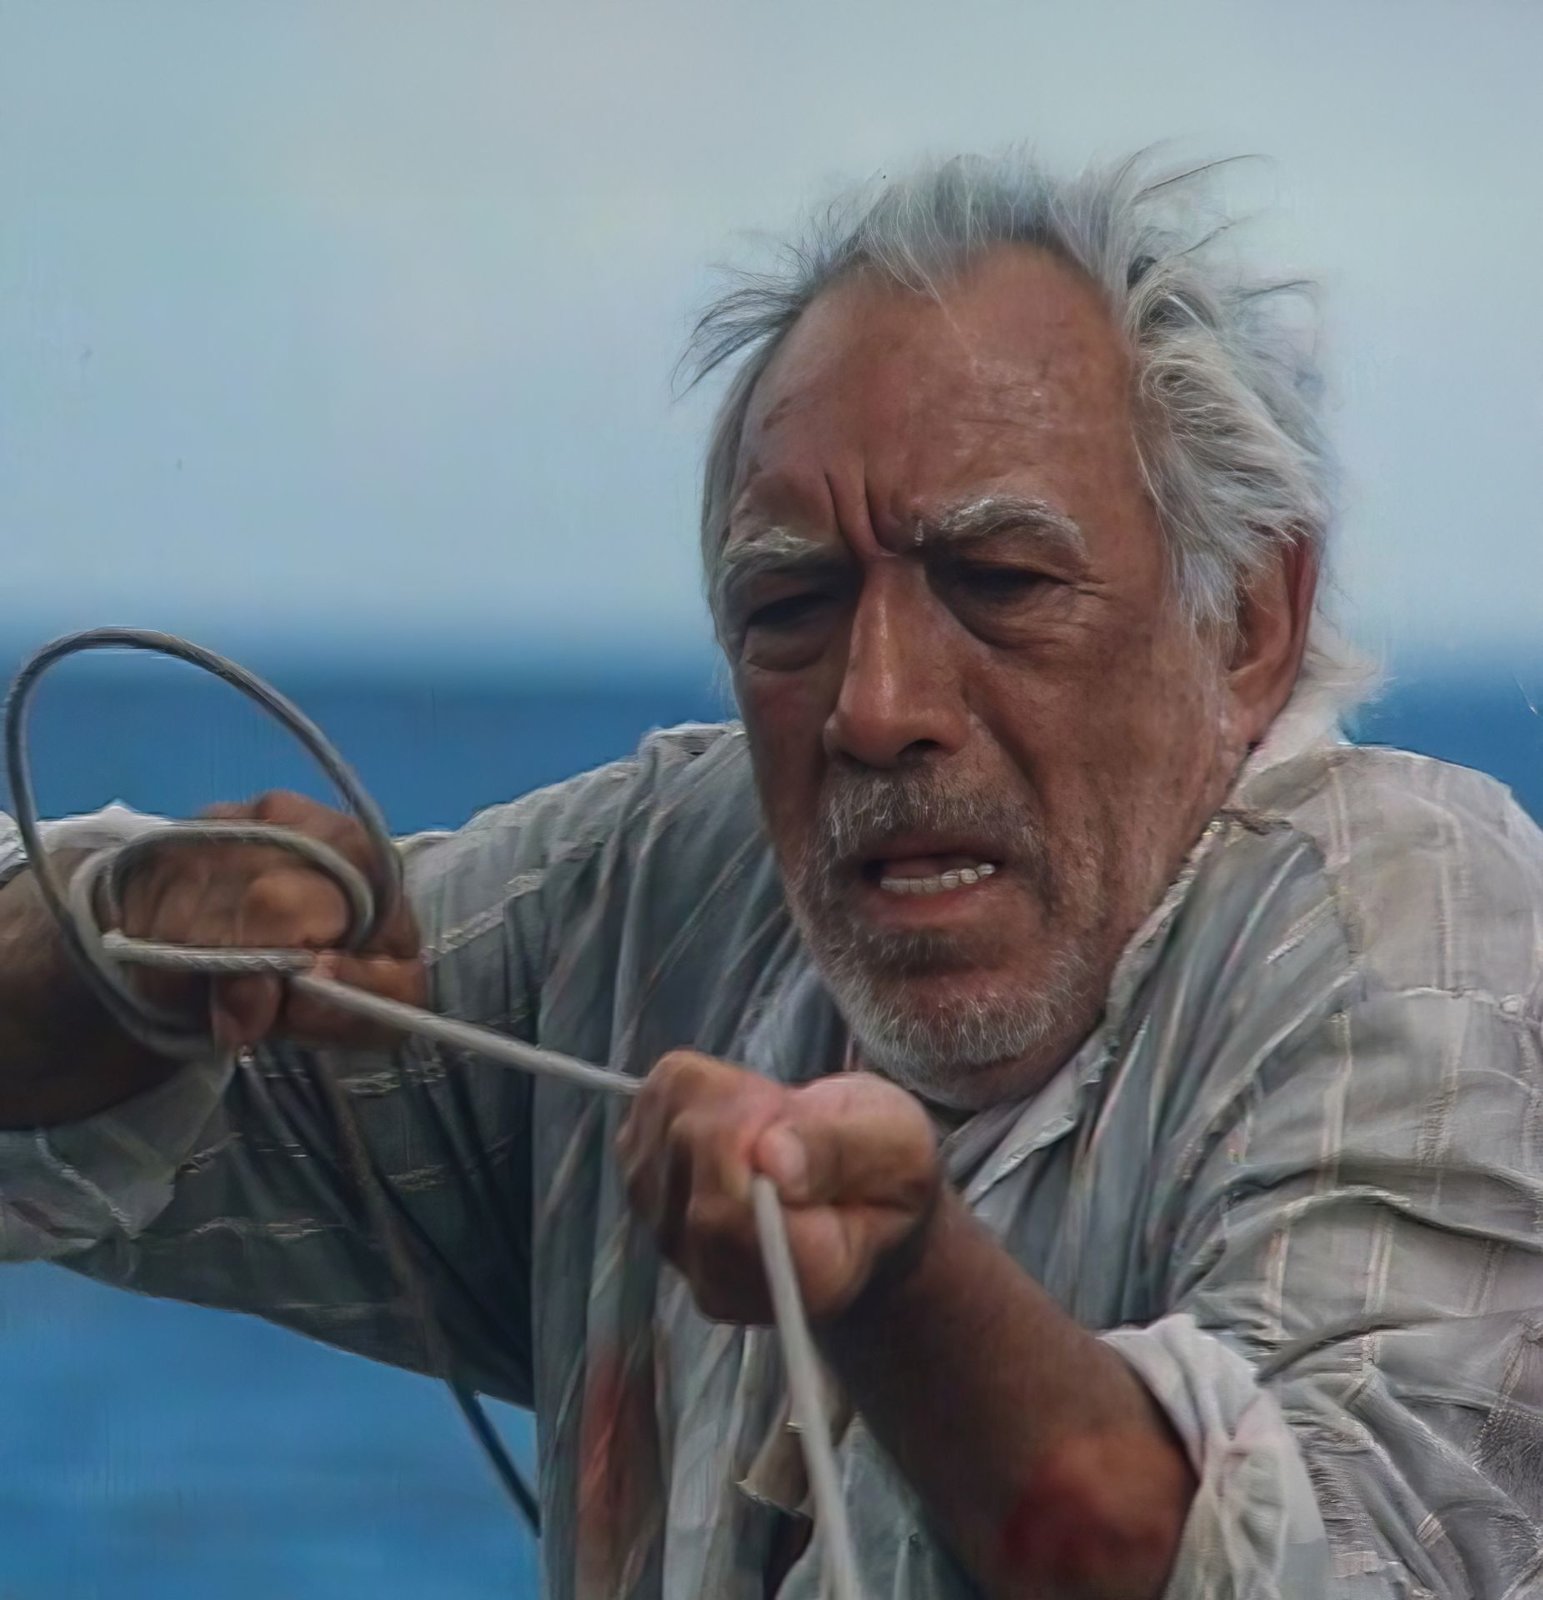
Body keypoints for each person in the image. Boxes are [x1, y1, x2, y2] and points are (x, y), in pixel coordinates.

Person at [2, 150, 1541, 1600]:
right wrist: (129, 947)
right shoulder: (675, 887)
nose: (875, 705)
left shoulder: (1407, 940)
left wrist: (902, 1293)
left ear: (1250, 623)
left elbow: (1340, 1554)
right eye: (793, 605)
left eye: (1000, 583)